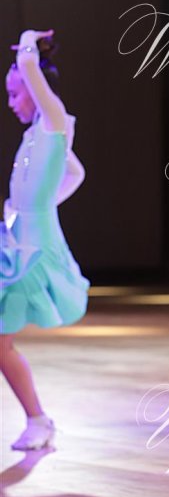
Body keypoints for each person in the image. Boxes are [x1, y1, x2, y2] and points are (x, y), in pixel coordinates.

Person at [1, 29, 89, 451]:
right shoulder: (36, 133)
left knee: (1, 340)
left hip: (35, 249)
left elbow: (28, 63)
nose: (10, 102)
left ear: (35, 90)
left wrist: (28, 40)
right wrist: (33, 205)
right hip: (20, 241)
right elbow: (75, 173)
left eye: (15, 93)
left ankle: (38, 419)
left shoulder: (54, 120)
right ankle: (37, 419)